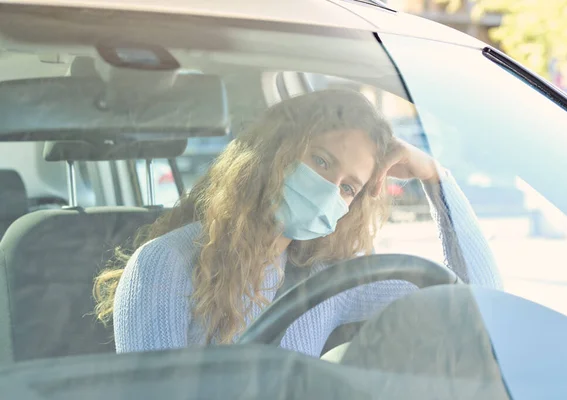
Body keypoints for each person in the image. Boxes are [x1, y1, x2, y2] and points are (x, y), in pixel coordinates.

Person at [94, 89, 502, 357]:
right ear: (275, 151)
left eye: (348, 188)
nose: (329, 190)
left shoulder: (328, 283)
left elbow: (484, 304)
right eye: (321, 161)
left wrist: (435, 178)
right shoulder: (164, 266)